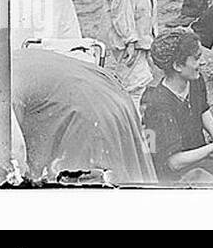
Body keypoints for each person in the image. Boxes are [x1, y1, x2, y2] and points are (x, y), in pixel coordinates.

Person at [11, 48, 156, 185]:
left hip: (89, 114)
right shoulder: (12, 60)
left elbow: (15, 153)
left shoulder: (2, 89)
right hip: (108, 92)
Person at [140, 27, 213, 184]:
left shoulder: (195, 80)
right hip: (173, 175)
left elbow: (202, 108)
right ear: (178, 66)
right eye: (197, 58)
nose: (204, 62)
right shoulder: (158, 106)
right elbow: (173, 163)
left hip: (198, 159)